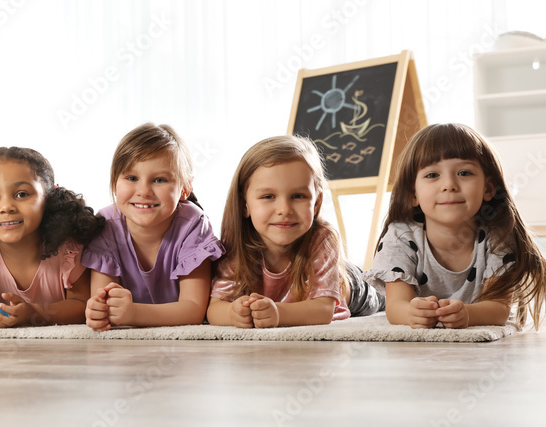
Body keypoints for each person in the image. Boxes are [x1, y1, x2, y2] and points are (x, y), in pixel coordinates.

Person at [366, 123, 546, 329]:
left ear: (488, 188)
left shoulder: (498, 235)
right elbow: (396, 306)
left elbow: (499, 309)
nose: (449, 184)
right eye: (432, 175)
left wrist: (467, 313)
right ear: (413, 194)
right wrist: (412, 313)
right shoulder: (400, 235)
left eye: (464, 173)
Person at [207, 135, 381, 328]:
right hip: (307, 283)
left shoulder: (323, 237)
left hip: (351, 286)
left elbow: (323, 310)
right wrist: (233, 313)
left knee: (385, 296)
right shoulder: (237, 242)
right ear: (244, 205)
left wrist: (278, 313)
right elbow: (214, 308)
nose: (284, 209)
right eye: (268, 196)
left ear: (316, 204)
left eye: (298, 196)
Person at [0, 146, 105, 328]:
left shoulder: (68, 249)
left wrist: (35, 313)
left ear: (48, 200)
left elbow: (82, 305)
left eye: (22, 194)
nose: (6, 206)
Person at [83, 123, 225, 330]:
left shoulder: (193, 225)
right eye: (131, 178)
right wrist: (98, 310)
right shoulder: (106, 225)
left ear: (185, 188)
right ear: (114, 183)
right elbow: (101, 298)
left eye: (159, 180)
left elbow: (194, 309)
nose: (144, 191)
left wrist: (134, 313)